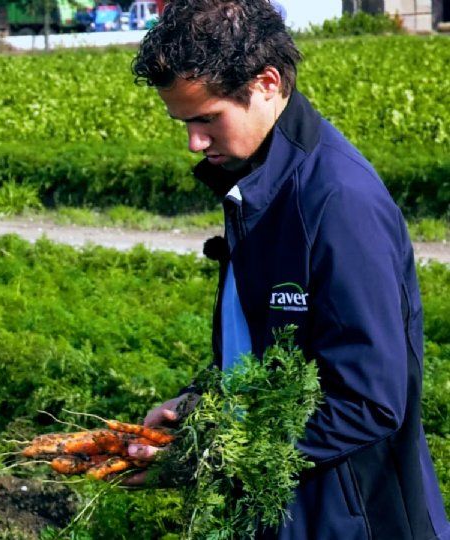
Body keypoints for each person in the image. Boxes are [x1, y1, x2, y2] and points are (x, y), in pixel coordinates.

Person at [123, 1, 450, 538]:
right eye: (182, 122)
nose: (194, 143)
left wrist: (213, 455)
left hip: (351, 518)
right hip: (283, 509)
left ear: (268, 83)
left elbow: (368, 402)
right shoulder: (258, 185)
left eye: (207, 118)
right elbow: (271, 353)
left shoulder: (337, 202)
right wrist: (199, 406)